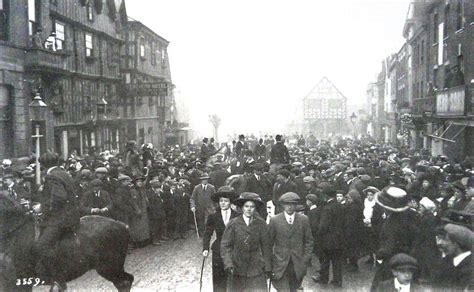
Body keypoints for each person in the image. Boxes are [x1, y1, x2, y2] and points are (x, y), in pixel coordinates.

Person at [35, 152, 80, 285]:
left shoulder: (52, 176)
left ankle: (58, 280)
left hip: (61, 219)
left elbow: (59, 198)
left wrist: (41, 207)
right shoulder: (63, 172)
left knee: (41, 246)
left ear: (43, 165)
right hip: (70, 214)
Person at [370, 186, 420, 291]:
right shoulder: (410, 216)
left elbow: (388, 247)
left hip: (391, 264)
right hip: (408, 261)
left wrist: (379, 255)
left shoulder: (391, 224)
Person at [220, 192, 272, 292]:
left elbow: (266, 246)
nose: (249, 209)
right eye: (246, 206)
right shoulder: (233, 223)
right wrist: (228, 263)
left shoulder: (261, 223)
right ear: (242, 208)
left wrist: (268, 267)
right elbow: (225, 246)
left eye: (252, 207)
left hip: (256, 269)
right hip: (237, 268)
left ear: (255, 208)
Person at [268, 192, 314, 292]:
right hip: (280, 264)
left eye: (292, 204)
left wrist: (305, 260)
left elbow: (309, 241)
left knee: (294, 289)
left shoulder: (303, 219)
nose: (289, 207)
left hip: (297, 264)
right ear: (283, 205)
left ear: (296, 205)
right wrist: (270, 263)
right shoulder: (275, 220)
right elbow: (268, 244)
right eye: (287, 204)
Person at [202, 186, 239, 292]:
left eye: (226, 201)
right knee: (218, 278)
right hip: (218, 250)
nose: (223, 203)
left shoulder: (237, 216)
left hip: (233, 250)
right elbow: (207, 233)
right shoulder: (213, 216)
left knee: (234, 277)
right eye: (221, 201)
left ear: (230, 202)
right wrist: (205, 248)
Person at [316, 187, 345, 287]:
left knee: (325, 259)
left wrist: (319, 234)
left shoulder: (327, 208)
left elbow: (323, 226)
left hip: (328, 239)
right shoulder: (341, 206)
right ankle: (337, 280)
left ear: (326, 196)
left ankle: (324, 278)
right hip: (339, 238)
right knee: (337, 261)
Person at [433, 222, 473, 291]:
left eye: (443, 239)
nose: (439, 243)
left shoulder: (471, 268)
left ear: (456, 243)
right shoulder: (445, 262)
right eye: (438, 238)